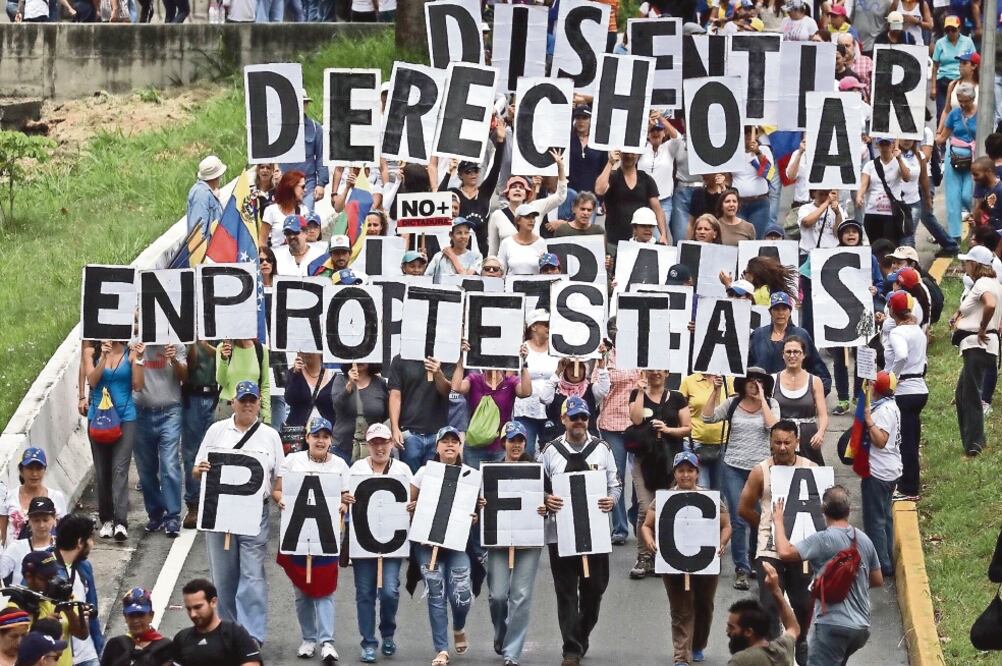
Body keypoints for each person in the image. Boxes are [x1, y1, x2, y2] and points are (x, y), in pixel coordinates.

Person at [193, 381, 284, 644]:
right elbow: (197, 470)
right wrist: (203, 470)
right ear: (233, 402)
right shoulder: (216, 431)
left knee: (252, 574)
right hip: (220, 514)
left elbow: (279, 477)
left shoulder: (270, 436)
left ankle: (251, 636)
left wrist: (280, 498)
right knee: (223, 578)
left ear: (259, 404)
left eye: (252, 400)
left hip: (255, 514)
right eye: (243, 400)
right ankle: (228, 632)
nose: (247, 404)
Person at [539, 397, 621, 666]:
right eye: (574, 417)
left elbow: (615, 484)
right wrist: (546, 498)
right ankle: (571, 649)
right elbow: (538, 486)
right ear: (564, 419)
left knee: (595, 589)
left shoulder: (602, 448)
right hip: (560, 533)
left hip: (594, 533)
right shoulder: (550, 451)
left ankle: (581, 633)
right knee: (566, 592)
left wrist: (613, 500)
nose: (579, 422)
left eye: (583, 417)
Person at [772, 486, 884, 665]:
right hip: (860, 627)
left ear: (823, 510)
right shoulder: (863, 539)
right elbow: (877, 579)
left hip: (831, 625)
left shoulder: (823, 539)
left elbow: (785, 552)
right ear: (848, 510)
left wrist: (778, 522)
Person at [640, 451, 732, 666]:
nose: (685, 475)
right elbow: (646, 525)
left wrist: (721, 542)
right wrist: (650, 541)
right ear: (675, 473)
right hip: (672, 561)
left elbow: (726, 524)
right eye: (681, 471)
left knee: (704, 605)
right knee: (680, 609)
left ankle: (698, 644)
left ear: (697, 473)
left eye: (690, 470)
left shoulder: (710, 498)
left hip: (706, 561)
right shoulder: (662, 499)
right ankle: (681, 655)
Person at [738, 421, 817, 665]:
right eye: (777, 442)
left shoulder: (811, 468)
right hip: (768, 551)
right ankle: (774, 656)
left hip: (801, 550)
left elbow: (820, 511)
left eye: (787, 442)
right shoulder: (760, 471)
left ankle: (801, 643)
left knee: (803, 604)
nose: (782, 448)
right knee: (770, 605)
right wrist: (766, 527)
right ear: (770, 442)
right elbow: (743, 508)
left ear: (797, 442)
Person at [273, 417, 347, 664]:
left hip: (325, 536)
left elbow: (346, 496)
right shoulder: (292, 461)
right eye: (316, 436)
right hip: (297, 535)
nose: (320, 440)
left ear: (330, 441)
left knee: (325, 590)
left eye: (325, 436)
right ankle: (308, 638)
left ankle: (327, 642)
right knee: (302, 591)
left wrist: (344, 507)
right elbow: (277, 489)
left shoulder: (340, 465)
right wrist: (280, 499)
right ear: (307, 438)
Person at [702, 369, 779, 591]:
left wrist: (763, 399)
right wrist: (715, 390)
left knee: (759, 516)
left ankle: (757, 560)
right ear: (743, 383)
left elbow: (772, 427)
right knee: (738, 518)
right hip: (733, 467)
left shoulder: (771, 403)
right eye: (751, 381)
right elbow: (708, 417)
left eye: (760, 382)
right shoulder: (733, 403)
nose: (755, 385)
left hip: (760, 470)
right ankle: (741, 568)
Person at [408, 427, 476, 666]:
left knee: (461, 595)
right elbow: (411, 501)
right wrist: (413, 509)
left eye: (454, 441)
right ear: (436, 447)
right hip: (428, 545)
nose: (449, 445)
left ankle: (458, 625)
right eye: (444, 441)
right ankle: (441, 649)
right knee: (436, 592)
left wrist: (475, 516)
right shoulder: (424, 473)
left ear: (460, 447)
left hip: (457, 545)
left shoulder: (470, 475)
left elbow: (476, 511)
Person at [346, 424, 411, 663]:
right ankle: (368, 642)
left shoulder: (403, 469)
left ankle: (388, 633)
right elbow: (343, 499)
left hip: (392, 543)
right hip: (363, 542)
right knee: (364, 592)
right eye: (374, 443)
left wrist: (411, 506)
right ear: (368, 445)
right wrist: (346, 498)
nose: (380, 447)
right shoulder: (357, 468)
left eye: (384, 442)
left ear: (392, 444)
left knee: (390, 591)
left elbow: (412, 498)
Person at [486, 422, 546, 666]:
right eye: (512, 440)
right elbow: (478, 503)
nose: (517, 445)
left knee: (521, 595)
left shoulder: (537, 470)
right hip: (498, 540)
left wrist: (545, 505)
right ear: (504, 443)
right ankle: (501, 635)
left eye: (521, 440)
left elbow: (549, 499)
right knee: (498, 595)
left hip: (528, 540)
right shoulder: (489, 471)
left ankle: (512, 651)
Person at [627, 369, 691, 579]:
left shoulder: (677, 397)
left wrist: (667, 430)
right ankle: (644, 556)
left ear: (666, 374)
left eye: (660, 371)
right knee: (646, 509)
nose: (655, 374)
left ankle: (661, 553)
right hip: (644, 460)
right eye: (651, 370)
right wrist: (639, 393)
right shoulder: (637, 394)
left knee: (665, 507)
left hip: (669, 460)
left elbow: (687, 428)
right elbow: (636, 420)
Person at [84, 340, 144, 541]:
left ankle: (120, 522)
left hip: (125, 418)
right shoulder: (91, 351)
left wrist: (138, 360)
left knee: (120, 469)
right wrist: (103, 357)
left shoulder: (130, 352)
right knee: (103, 471)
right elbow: (92, 381)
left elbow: (138, 385)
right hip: (98, 418)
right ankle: (106, 519)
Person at [590, 322, 640, 544]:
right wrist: (602, 362)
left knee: (640, 475)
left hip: (637, 423)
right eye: (613, 331)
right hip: (612, 423)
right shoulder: (606, 356)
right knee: (617, 476)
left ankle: (637, 516)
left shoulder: (642, 352)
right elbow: (596, 387)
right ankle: (619, 527)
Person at [951, 246, 1002, 457]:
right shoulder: (993, 283)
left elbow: (989, 304)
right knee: (962, 394)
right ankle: (973, 439)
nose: (965, 266)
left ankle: (974, 444)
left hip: (978, 345)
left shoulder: (983, 283)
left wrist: (982, 328)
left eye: (967, 262)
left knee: (970, 396)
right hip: (981, 346)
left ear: (976, 264)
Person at [132, 341, 187, 539]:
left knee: (170, 464)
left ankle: (173, 515)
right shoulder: (136, 343)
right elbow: (133, 382)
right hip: (141, 412)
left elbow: (184, 376)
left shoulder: (176, 344)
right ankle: (155, 513)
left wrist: (173, 359)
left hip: (170, 411)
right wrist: (137, 356)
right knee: (146, 468)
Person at [451, 341, 532, 469]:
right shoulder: (474, 379)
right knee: (475, 486)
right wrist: (462, 359)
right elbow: (456, 388)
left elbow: (526, 392)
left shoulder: (510, 382)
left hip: (500, 447)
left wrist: (524, 363)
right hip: (474, 448)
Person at [7, 552, 89, 662]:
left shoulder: (59, 596)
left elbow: (82, 635)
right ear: (29, 577)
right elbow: (14, 650)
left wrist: (69, 611)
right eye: (47, 578)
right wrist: (41, 628)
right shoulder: (16, 608)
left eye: (54, 575)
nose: (53, 581)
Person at [883, 293, 926, 504]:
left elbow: (901, 356)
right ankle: (909, 482)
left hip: (904, 391)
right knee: (912, 438)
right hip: (919, 389)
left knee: (905, 442)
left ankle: (909, 487)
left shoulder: (898, 333)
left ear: (892, 310)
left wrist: (892, 377)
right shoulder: (917, 330)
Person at [748, 293, 832, 394]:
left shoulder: (801, 335)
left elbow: (819, 370)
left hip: (792, 396)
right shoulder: (758, 334)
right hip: (761, 396)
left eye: (784, 309)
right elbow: (747, 368)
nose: (780, 313)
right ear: (770, 311)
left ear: (790, 311)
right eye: (776, 309)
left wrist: (813, 398)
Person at [487, 150, 567, 255]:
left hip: (533, 264)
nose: (517, 190)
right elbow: (493, 250)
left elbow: (560, 196)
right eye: (513, 187)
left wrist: (560, 168)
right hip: (509, 268)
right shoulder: (498, 215)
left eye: (521, 187)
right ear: (507, 193)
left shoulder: (536, 208)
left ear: (526, 193)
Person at [171, 578, 262, 666]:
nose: (193, 614)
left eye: (198, 607)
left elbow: (252, 663)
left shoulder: (235, 633)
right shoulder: (182, 638)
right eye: (189, 609)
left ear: (213, 602)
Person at [725, 561, 800, 665]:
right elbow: (793, 627)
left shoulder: (741, 660)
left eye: (731, 627)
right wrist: (776, 590)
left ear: (748, 632)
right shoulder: (782, 648)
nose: (727, 631)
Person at [387, 355, 453, 473]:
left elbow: (446, 391)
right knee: (409, 480)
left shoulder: (444, 356)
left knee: (433, 483)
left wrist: (438, 373)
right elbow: (395, 395)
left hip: (437, 434)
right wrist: (395, 428)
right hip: (409, 433)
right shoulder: (400, 359)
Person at [51, 514, 100, 666]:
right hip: (58, 656)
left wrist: (99, 647)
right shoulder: (44, 569)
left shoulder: (85, 567)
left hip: (87, 654)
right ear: (80, 542)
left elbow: (92, 612)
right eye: (90, 538)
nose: (93, 544)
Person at [772, 336, 828, 465]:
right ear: (783, 355)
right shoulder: (774, 380)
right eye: (788, 352)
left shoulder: (814, 381)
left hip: (808, 439)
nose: (792, 355)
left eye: (796, 352)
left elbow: (823, 415)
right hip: (782, 440)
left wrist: (820, 433)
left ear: (803, 355)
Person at [181, 340, 218, 529]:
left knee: (218, 451)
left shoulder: (222, 327)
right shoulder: (189, 331)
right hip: (192, 396)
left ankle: (214, 501)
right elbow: (190, 365)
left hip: (217, 396)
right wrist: (195, 341)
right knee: (191, 453)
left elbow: (224, 359)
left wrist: (207, 344)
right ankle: (193, 505)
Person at [596, 150, 669, 245]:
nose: (629, 156)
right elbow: (599, 190)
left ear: (638, 155)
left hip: (640, 243)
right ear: (620, 154)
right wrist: (610, 163)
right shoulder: (612, 177)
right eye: (626, 153)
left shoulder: (646, 179)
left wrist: (663, 234)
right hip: (614, 240)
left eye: (633, 153)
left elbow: (657, 209)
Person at [513, 310, 559, 456]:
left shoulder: (556, 348)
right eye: (545, 324)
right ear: (533, 327)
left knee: (552, 453)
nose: (549, 328)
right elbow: (511, 377)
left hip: (551, 411)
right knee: (525, 453)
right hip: (525, 410)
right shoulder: (521, 348)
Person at [937, 83, 978, 243]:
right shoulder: (954, 114)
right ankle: (955, 237)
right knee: (953, 198)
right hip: (953, 155)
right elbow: (943, 137)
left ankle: (978, 224)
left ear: (972, 99)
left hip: (973, 158)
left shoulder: (981, 114)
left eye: (965, 101)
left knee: (969, 195)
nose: (962, 104)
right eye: (960, 100)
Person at [0, 449, 66, 548]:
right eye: (30, 468)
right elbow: (2, 535)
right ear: (22, 471)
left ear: (44, 470)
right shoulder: (9, 497)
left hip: (49, 559)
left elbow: (64, 532)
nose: (34, 473)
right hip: (15, 559)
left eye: (39, 468)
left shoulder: (56, 497)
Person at [680, 373, 735, 490]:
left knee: (720, 491)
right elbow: (680, 409)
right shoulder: (689, 381)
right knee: (702, 490)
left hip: (723, 444)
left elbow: (734, 409)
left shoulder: (728, 380)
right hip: (694, 443)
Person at [856, 138, 911, 247]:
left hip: (892, 214)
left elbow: (907, 178)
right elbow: (863, 184)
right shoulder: (870, 165)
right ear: (878, 145)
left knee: (890, 245)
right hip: (873, 212)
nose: (885, 147)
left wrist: (899, 159)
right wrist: (859, 196)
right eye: (882, 144)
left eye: (887, 144)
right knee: (875, 246)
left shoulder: (899, 162)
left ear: (892, 145)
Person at [329, 363, 389, 464]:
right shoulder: (340, 380)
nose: (361, 361)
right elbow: (337, 406)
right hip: (342, 446)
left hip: (373, 448)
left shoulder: (380, 383)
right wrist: (349, 386)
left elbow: (386, 413)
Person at [279, 91, 328, 212]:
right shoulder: (278, 128)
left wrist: (321, 183)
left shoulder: (316, 128)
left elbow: (322, 157)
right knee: (284, 217)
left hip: (307, 183)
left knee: (306, 217)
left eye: (304, 103)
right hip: (284, 181)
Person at [99, 588, 172, 666]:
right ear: (125, 617)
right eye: (131, 616)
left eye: (140, 615)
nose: (135, 621)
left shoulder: (164, 647)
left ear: (151, 616)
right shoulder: (116, 645)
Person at [282, 351, 336, 454]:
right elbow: (289, 399)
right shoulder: (293, 373)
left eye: (310, 349)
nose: (306, 353)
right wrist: (295, 375)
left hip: (324, 433)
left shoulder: (333, 376)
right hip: (297, 434)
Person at [0, 497, 56, 585]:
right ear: (29, 521)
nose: (41, 525)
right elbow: (1, 572)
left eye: (45, 520)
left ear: (54, 519)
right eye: (36, 520)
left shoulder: (63, 548)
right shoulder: (17, 547)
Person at [931, 16, 976, 122]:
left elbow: (974, 61)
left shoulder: (967, 42)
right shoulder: (940, 43)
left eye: (953, 30)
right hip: (943, 79)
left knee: (961, 111)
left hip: (961, 80)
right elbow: (935, 65)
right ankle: (940, 135)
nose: (950, 33)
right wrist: (933, 87)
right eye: (948, 30)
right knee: (941, 112)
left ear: (959, 29)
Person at [215, 338, 269, 423]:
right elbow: (222, 382)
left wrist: (266, 416)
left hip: (251, 406)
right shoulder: (223, 347)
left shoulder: (261, 350)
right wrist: (224, 359)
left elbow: (265, 385)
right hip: (228, 407)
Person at [733, 130, 774, 237]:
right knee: (740, 238)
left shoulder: (764, 150)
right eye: (744, 132)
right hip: (738, 204)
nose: (747, 136)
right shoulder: (732, 152)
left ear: (756, 135)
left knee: (757, 238)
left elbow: (769, 174)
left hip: (759, 203)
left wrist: (758, 152)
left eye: (750, 132)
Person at [567, 105, 608, 198]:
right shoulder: (568, 140)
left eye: (585, 118)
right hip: (568, 193)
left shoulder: (599, 142)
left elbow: (604, 169)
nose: (581, 121)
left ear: (591, 120)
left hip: (592, 195)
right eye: (578, 118)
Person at [427, 217, 483, 282]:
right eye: (459, 233)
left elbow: (467, 280)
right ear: (451, 235)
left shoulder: (476, 257)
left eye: (466, 233)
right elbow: (427, 278)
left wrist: (452, 257)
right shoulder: (439, 256)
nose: (463, 236)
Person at [497, 205, 548, 276]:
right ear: (518, 220)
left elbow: (545, 269)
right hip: (512, 285)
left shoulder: (541, 242)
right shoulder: (506, 242)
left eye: (533, 217)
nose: (531, 220)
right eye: (527, 217)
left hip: (536, 285)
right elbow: (500, 270)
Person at [261, 170, 306, 248]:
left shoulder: (304, 210)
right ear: (291, 186)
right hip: (277, 256)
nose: (305, 190)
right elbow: (262, 241)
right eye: (303, 187)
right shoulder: (271, 210)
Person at [186, 156, 225, 236]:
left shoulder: (207, 192)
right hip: (208, 247)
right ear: (216, 177)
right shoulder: (201, 195)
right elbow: (198, 234)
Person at [797, 190, 843, 255]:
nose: (824, 197)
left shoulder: (837, 209)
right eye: (821, 194)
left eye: (827, 194)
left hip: (831, 253)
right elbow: (807, 223)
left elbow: (838, 233)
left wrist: (838, 214)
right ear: (813, 194)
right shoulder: (805, 208)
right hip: (809, 254)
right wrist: (826, 203)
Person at [973, 156, 1002, 229]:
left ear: (989, 172)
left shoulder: (1000, 190)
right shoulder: (985, 188)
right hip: (989, 231)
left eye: (976, 174)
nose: (974, 178)